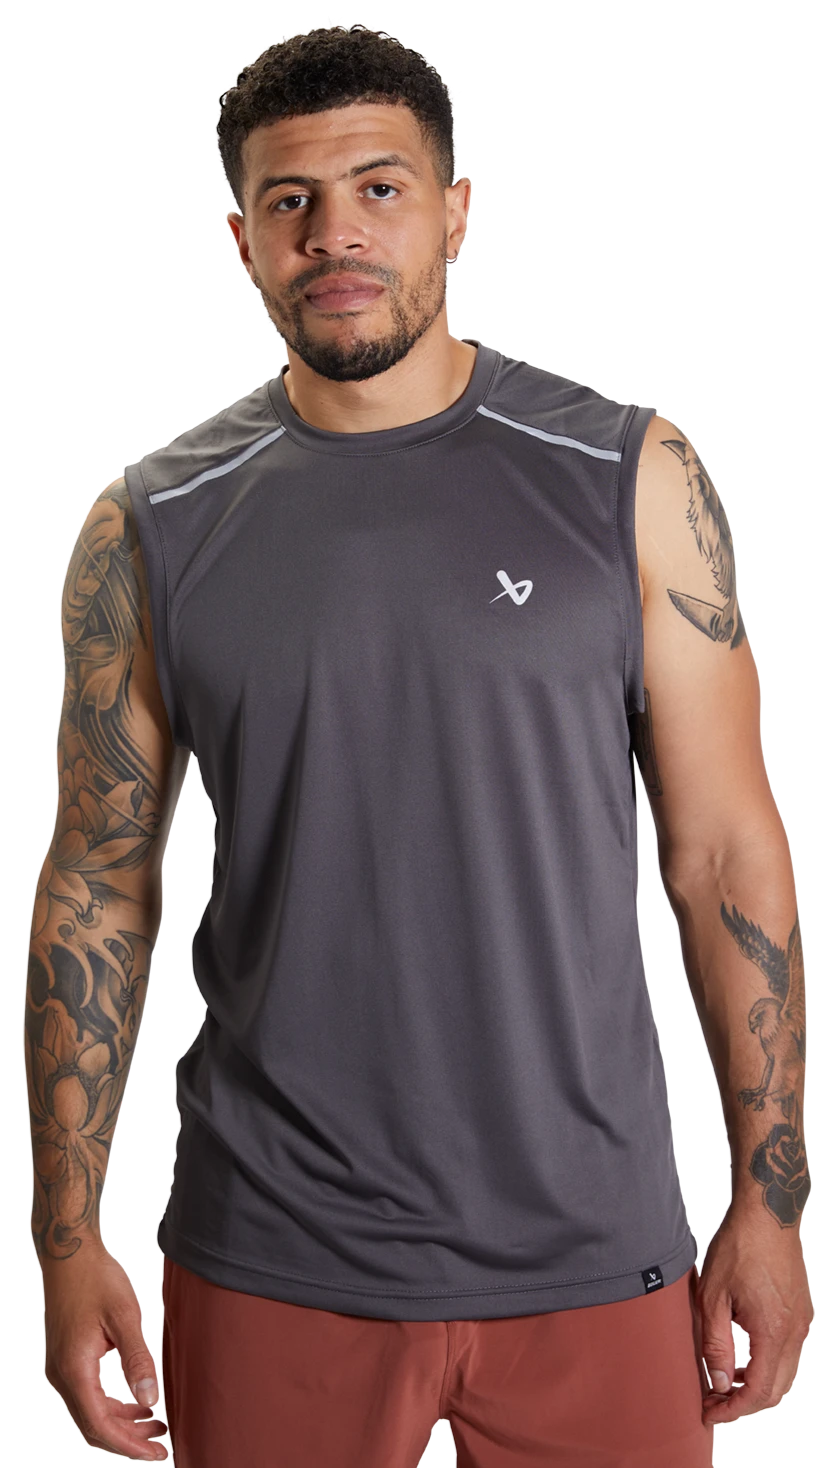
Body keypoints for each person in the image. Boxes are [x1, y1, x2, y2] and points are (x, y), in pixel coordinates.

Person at [25, 23, 813, 1468]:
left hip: (594, 1242)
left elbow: (722, 854)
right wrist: (66, 1243)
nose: (335, 234)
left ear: (454, 209)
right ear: (241, 236)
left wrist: (771, 1201)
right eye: (290, 200)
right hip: (272, 1248)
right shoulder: (149, 526)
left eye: (379, 189)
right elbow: (97, 886)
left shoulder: (627, 474)